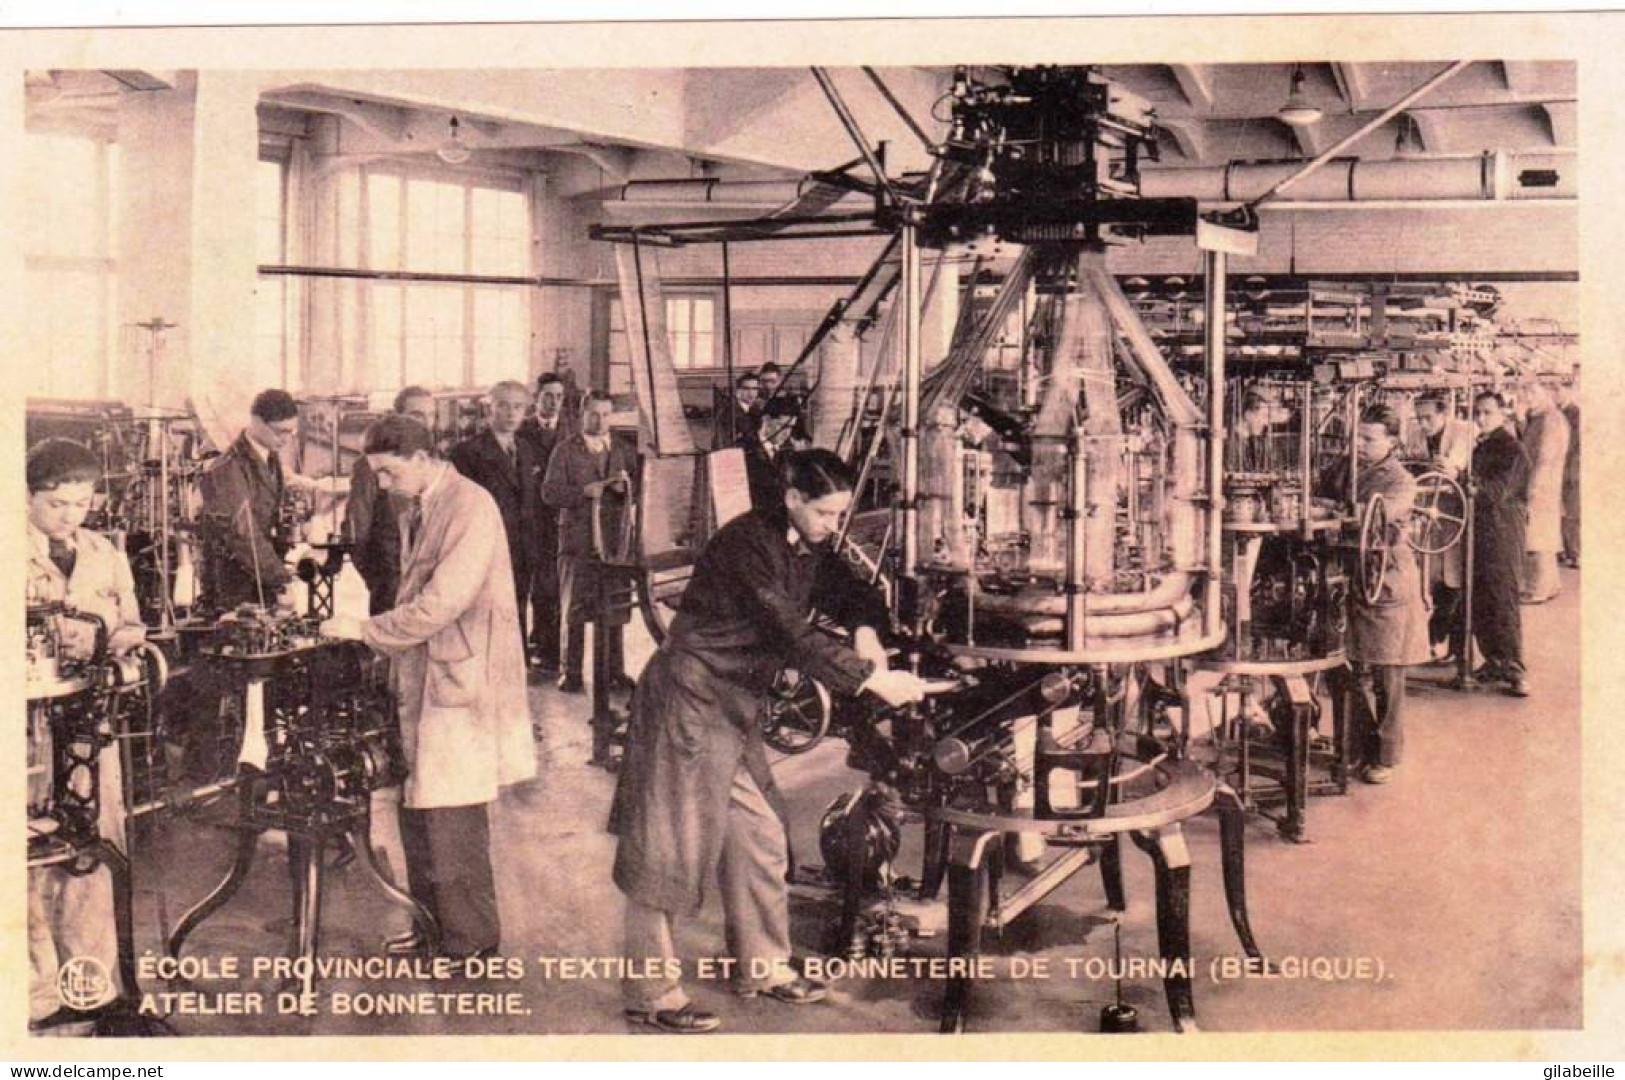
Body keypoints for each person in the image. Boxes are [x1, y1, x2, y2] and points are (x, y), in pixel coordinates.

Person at [608, 449, 929, 1034]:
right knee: (668, 850)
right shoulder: (746, 545)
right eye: (826, 513)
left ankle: (762, 966)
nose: (835, 525)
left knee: (759, 835)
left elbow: (853, 590)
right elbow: (788, 629)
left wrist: (864, 628)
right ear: (792, 499)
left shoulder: (809, 543)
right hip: (688, 700)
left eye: (840, 515)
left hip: (733, 708)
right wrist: (873, 679)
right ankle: (650, 994)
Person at [322, 415, 537, 964]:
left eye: (390, 473)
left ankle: (471, 944)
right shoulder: (421, 504)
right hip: (426, 677)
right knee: (418, 811)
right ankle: (428, 926)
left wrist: (367, 631)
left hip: (460, 683)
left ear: (421, 458)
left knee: (453, 820)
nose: (385, 485)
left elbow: (443, 602)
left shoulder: (471, 506)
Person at [26, 439, 148, 1027]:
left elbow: (131, 622)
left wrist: (117, 643)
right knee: (28, 855)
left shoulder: (103, 551)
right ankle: (34, 995)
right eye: (56, 505)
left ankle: (93, 988)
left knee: (94, 850)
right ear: (28, 496)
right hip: (24, 731)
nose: (70, 516)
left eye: (80, 504)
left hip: (88, 726)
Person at [1326, 405, 1430, 785]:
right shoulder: (1343, 467)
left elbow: (1373, 515)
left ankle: (1386, 756)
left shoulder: (1401, 480)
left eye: (1369, 438)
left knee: (1388, 672)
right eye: (1357, 436)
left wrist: (1335, 510)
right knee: (1345, 666)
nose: (1360, 444)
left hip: (1384, 579)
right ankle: (1357, 745)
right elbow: (1317, 493)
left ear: (1392, 442)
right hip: (1348, 577)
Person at [541, 391, 639, 694]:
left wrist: (627, 489)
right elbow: (549, 493)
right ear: (583, 415)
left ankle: (615, 671)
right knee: (575, 609)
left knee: (615, 605)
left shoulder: (622, 449)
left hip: (615, 542)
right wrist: (584, 492)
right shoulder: (565, 450)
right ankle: (570, 672)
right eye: (594, 414)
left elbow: (640, 487)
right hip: (577, 541)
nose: (600, 420)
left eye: (606, 414)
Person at [450, 381, 544, 659]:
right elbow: (460, 507)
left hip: (523, 546)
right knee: (486, 609)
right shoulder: (466, 452)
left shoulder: (528, 450)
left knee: (517, 605)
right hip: (486, 547)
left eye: (517, 406)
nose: (511, 413)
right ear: (488, 408)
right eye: (503, 405)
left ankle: (516, 662)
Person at [197, 388, 301, 610]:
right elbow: (242, 533)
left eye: (291, 432)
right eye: (280, 431)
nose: (285, 439)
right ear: (256, 421)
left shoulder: (270, 458)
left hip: (262, 577)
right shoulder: (228, 468)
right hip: (234, 585)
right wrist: (280, 579)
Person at [345, 386, 434, 614]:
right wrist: (376, 577)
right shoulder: (371, 464)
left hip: (428, 577)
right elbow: (357, 526)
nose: (426, 422)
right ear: (397, 416)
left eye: (431, 415)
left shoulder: (432, 462)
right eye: (417, 415)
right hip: (390, 575)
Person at [1470, 392, 1533, 696]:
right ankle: (1494, 660)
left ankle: (1516, 668)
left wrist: (1464, 481)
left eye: (1487, 412)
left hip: (1503, 532)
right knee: (1482, 596)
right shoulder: (1484, 445)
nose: (1480, 418)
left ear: (1503, 414)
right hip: (1483, 530)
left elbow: (1495, 492)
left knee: (1503, 597)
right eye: (1477, 413)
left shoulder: (1511, 448)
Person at [1408, 393, 1475, 661]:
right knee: (1429, 576)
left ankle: (1451, 646)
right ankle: (1432, 641)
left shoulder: (1463, 431)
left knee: (1454, 578)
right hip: (1428, 514)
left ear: (1444, 413)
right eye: (1419, 417)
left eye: (1429, 418)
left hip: (1453, 515)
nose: (1423, 424)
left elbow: (1451, 469)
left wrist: (1449, 467)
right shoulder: (1415, 432)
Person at [517, 374, 569, 679]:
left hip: (557, 521)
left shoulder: (570, 432)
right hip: (528, 518)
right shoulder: (522, 431)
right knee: (523, 586)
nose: (553, 402)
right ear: (536, 398)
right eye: (548, 396)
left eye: (559, 396)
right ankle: (520, 652)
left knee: (550, 588)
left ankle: (549, 652)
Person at [1518, 382, 1570, 604]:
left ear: (1546, 393)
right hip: (1546, 486)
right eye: (1525, 393)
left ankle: (1537, 589)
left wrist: (1532, 489)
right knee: (1545, 536)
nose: (1528, 398)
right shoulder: (1544, 417)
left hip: (1541, 486)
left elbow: (1544, 459)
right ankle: (1551, 585)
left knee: (1536, 538)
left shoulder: (1549, 419)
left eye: (1532, 393)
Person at [1554, 378, 1580, 569]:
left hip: (1570, 470)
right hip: (1559, 467)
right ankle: (1563, 549)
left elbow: (1575, 446)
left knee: (1571, 512)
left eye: (1558, 390)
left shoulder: (1576, 414)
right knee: (1559, 511)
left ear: (1568, 391)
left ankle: (1575, 552)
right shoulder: (1558, 413)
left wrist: (1570, 470)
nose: (1555, 394)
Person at [1228, 392, 1274, 473]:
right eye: (1264, 416)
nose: (1266, 423)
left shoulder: (1255, 443)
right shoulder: (1230, 445)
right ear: (1248, 415)